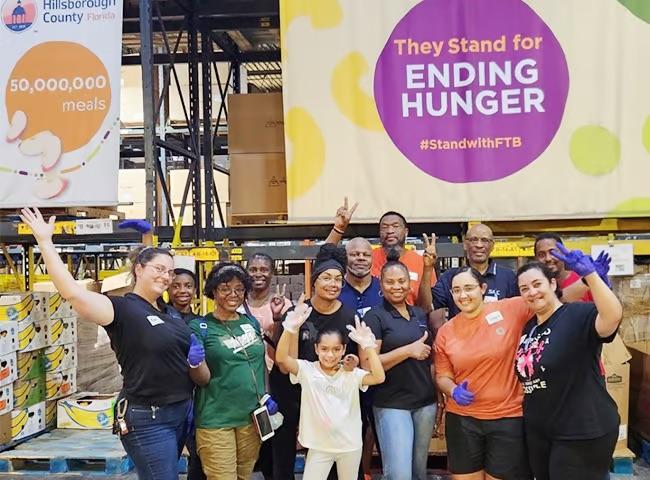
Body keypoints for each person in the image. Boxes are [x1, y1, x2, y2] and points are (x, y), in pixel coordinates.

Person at [19, 208, 194, 480]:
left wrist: (148, 239)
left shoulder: (166, 310)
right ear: (138, 270)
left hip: (182, 412)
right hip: (149, 418)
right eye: (159, 270)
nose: (166, 277)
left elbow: (151, 265)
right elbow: (72, 292)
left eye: (170, 272)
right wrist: (44, 242)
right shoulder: (121, 310)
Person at [515, 253, 621, 480]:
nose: (532, 292)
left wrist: (590, 276)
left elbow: (611, 318)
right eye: (524, 289)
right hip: (542, 432)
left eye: (537, 284)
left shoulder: (576, 315)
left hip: (581, 430)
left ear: (553, 284)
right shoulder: (529, 328)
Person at [434, 267, 533, 480]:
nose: (463, 295)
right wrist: (453, 391)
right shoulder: (446, 332)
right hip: (462, 420)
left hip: (507, 417)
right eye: (456, 290)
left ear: (483, 288)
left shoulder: (511, 309)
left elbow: (550, 302)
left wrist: (588, 280)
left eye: (469, 288)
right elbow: (442, 375)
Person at [270, 244, 358, 480]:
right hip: (292, 393)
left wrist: (351, 362)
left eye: (338, 279)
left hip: (329, 399)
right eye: (327, 278)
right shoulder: (297, 313)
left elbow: (356, 361)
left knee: (326, 460)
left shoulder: (349, 316)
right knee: (284, 456)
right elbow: (284, 362)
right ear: (315, 281)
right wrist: (293, 325)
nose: (333, 284)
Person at [276, 302, 385, 479]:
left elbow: (379, 377)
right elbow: (281, 358)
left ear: (343, 350)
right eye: (324, 349)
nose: (330, 355)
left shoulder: (352, 373)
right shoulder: (307, 370)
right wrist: (289, 329)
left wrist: (369, 347)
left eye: (336, 349)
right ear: (316, 349)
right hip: (318, 447)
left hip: (350, 446)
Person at [187, 262, 276, 480]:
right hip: (216, 420)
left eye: (239, 289)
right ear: (213, 291)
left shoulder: (251, 323)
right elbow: (203, 380)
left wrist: (266, 394)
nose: (232, 294)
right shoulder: (201, 327)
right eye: (225, 288)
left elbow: (259, 363)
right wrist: (195, 363)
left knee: (243, 476)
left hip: (250, 419)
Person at [364, 250, 437, 480]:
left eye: (402, 281)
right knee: (399, 474)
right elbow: (368, 365)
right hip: (392, 404)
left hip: (425, 403)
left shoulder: (418, 314)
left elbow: (430, 359)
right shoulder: (374, 317)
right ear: (381, 286)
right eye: (390, 282)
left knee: (418, 472)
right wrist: (407, 351)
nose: (396, 286)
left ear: (409, 284)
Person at [337, 237, 383, 480]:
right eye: (354, 254)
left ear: (372, 258)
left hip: (379, 376)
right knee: (350, 436)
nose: (360, 259)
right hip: (345, 378)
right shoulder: (336, 290)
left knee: (383, 434)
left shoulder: (383, 288)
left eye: (365, 254)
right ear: (346, 258)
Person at [424, 223, 518, 318]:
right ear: (465, 244)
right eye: (474, 240)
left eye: (485, 240)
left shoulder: (508, 277)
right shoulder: (450, 277)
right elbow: (427, 307)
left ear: (492, 246)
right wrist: (427, 269)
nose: (479, 245)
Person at [168, 268, 205, 480]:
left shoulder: (200, 322)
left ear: (195, 290)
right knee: (166, 458)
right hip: (167, 395)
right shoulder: (161, 316)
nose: (182, 290)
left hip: (195, 397)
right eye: (176, 285)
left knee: (198, 456)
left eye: (188, 286)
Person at [371, 211, 436, 305]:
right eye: (384, 227)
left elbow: (429, 305)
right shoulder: (368, 258)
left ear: (406, 232)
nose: (390, 231)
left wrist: (428, 269)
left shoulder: (422, 262)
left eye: (395, 226)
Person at [243, 252, 293, 371]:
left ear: (272, 273)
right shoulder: (237, 305)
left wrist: (277, 317)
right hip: (245, 373)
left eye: (264, 270)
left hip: (274, 373)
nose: (258, 274)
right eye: (253, 270)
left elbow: (288, 345)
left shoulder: (284, 305)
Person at [534, 233, 593, 302]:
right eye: (541, 255)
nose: (548, 259)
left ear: (563, 253)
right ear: (536, 259)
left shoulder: (584, 281)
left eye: (553, 252)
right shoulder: (533, 288)